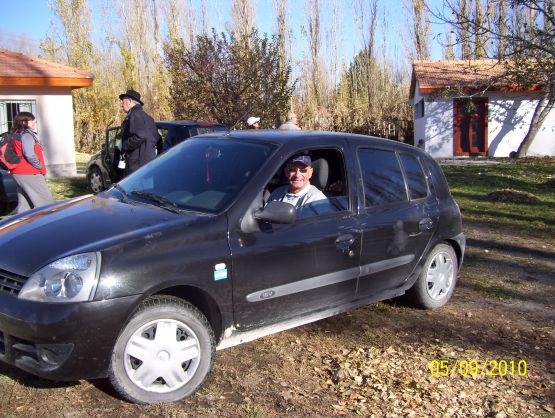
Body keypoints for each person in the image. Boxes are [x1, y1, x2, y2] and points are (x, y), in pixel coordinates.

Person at [9, 112, 53, 214]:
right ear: (24, 122)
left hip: (18, 173)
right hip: (30, 173)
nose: (34, 122)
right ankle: (47, 226)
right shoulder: (27, 135)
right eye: (32, 120)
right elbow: (29, 154)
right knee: (46, 203)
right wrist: (40, 166)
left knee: (24, 205)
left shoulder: (16, 134)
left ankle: (19, 227)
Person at [268, 154, 332, 218]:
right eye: (292, 170)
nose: (297, 175)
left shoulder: (318, 200)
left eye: (303, 170)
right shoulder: (277, 193)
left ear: (310, 173)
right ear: (286, 172)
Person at [119, 89, 158, 175]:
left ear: (129, 101)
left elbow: (141, 135)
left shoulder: (134, 115)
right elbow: (157, 138)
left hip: (136, 166)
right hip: (150, 164)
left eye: (123, 101)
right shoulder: (149, 118)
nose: (122, 105)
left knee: (134, 188)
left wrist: (125, 145)